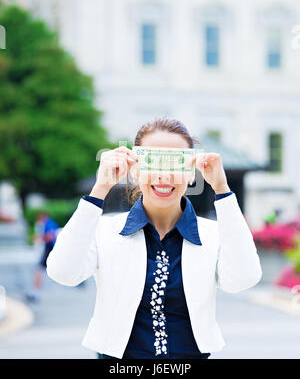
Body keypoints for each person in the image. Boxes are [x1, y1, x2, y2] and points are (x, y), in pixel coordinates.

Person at [46, 117, 262, 359]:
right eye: (153, 163)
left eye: (174, 164)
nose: (163, 176)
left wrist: (222, 189)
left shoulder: (212, 235)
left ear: (191, 173)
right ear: (136, 169)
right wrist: (100, 189)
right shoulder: (104, 230)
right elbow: (62, 272)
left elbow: (243, 279)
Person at [26, 211, 59, 302]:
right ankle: (34, 292)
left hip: (49, 249)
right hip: (51, 249)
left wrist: (39, 238)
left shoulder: (48, 223)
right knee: (40, 270)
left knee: (39, 270)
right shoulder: (50, 222)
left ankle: (34, 293)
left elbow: (50, 236)